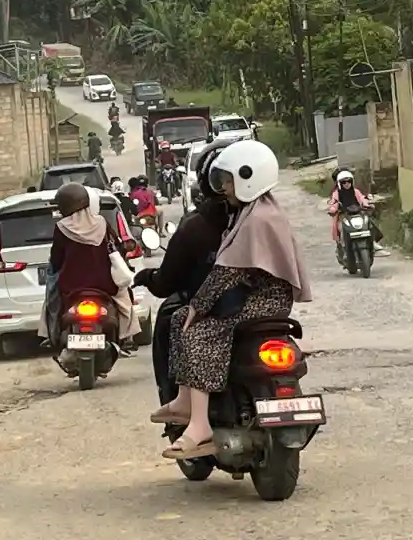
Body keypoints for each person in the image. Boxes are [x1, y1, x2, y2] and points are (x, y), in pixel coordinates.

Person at [149, 140, 312, 460]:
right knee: (182, 319)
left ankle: (200, 426)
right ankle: (185, 401)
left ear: (247, 177)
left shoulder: (256, 219)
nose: (223, 187)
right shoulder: (262, 210)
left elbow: (226, 272)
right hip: (265, 299)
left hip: (261, 303)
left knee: (197, 330)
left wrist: (199, 305)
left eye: (228, 180)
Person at [135, 138, 239, 405]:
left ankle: (177, 402)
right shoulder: (265, 214)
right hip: (265, 307)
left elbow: (167, 283)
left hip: (220, 307)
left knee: (175, 323)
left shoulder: (197, 225)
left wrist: (147, 277)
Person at [46, 183, 141, 353]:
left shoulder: (61, 227)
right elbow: (117, 247)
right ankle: (127, 337)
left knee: (51, 302)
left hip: (71, 287)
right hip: (104, 285)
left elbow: (56, 258)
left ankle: (50, 335)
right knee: (125, 301)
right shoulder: (102, 223)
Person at [329, 170, 372, 243]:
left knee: (369, 225)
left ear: (352, 182)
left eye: (349, 181)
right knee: (341, 228)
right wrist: (333, 209)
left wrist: (366, 205)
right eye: (344, 182)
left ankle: (373, 244)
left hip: (358, 214)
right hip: (344, 216)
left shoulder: (356, 191)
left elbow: (362, 199)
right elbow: (334, 203)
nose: (347, 184)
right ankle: (343, 245)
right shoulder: (336, 193)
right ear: (339, 183)